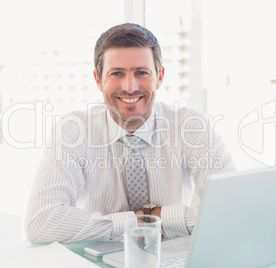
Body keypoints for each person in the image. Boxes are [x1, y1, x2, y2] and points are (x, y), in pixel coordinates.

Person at [25, 23, 235, 243]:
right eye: (116, 73)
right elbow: (41, 224)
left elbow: (230, 208)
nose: (130, 87)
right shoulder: (73, 130)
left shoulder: (191, 126)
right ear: (98, 80)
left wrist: (156, 216)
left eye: (141, 73)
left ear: (160, 77)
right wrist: (133, 222)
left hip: (172, 259)